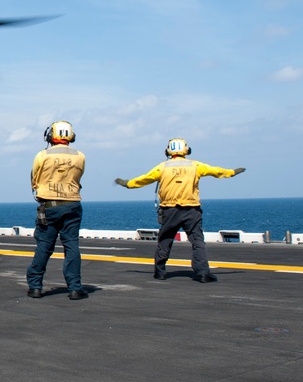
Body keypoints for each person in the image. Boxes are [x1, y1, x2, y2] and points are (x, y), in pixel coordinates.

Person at [114, 138, 245, 282]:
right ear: (186, 150)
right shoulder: (195, 165)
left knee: (165, 240)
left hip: (169, 210)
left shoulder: (162, 167)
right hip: (192, 210)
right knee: (197, 241)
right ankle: (203, 273)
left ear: (168, 151)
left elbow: (143, 179)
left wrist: (127, 183)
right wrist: (232, 172)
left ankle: (160, 272)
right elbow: (216, 171)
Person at [26, 120, 88, 300]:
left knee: (44, 245)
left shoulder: (42, 155)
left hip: (49, 206)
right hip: (73, 204)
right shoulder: (80, 156)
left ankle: (35, 286)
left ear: (50, 136)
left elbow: (34, 177)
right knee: (71, 246)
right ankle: (75, 288)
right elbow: (79, 175)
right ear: (71, 136)